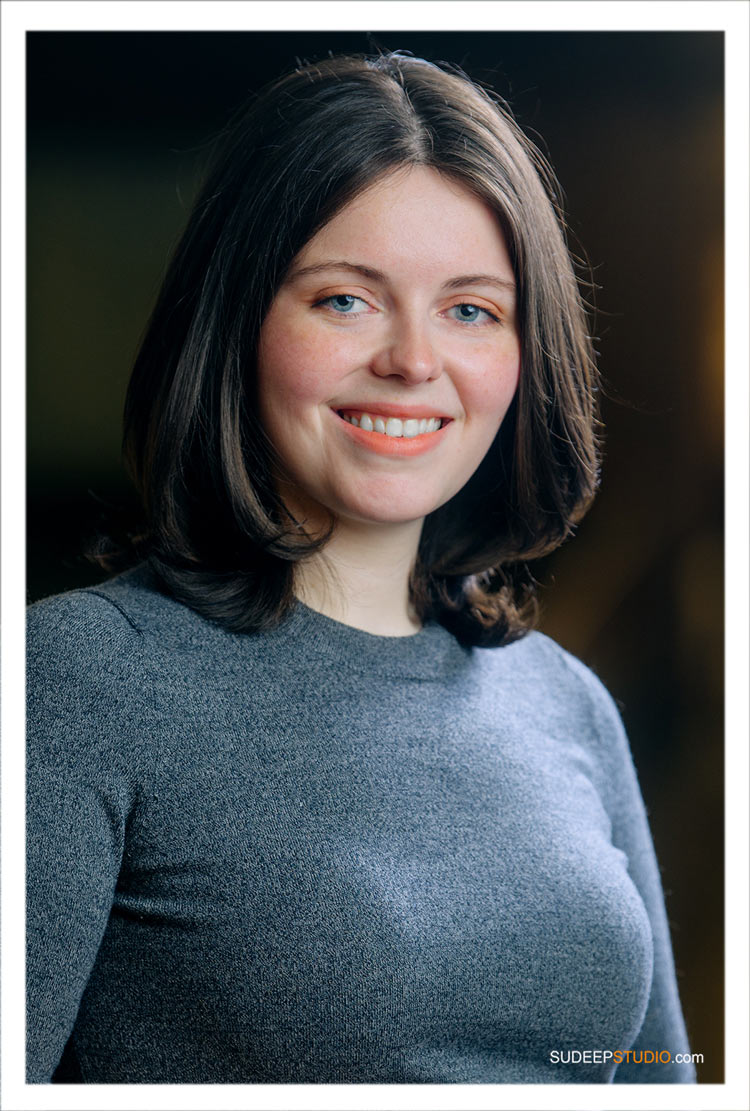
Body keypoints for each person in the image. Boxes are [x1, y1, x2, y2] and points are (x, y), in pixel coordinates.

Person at [26, 52, 695, 1085]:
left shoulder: (568, 704)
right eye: (347, 300)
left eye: (472, 309)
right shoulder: (76, 678)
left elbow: (656, 1073)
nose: (413, 361)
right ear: (238, 320)